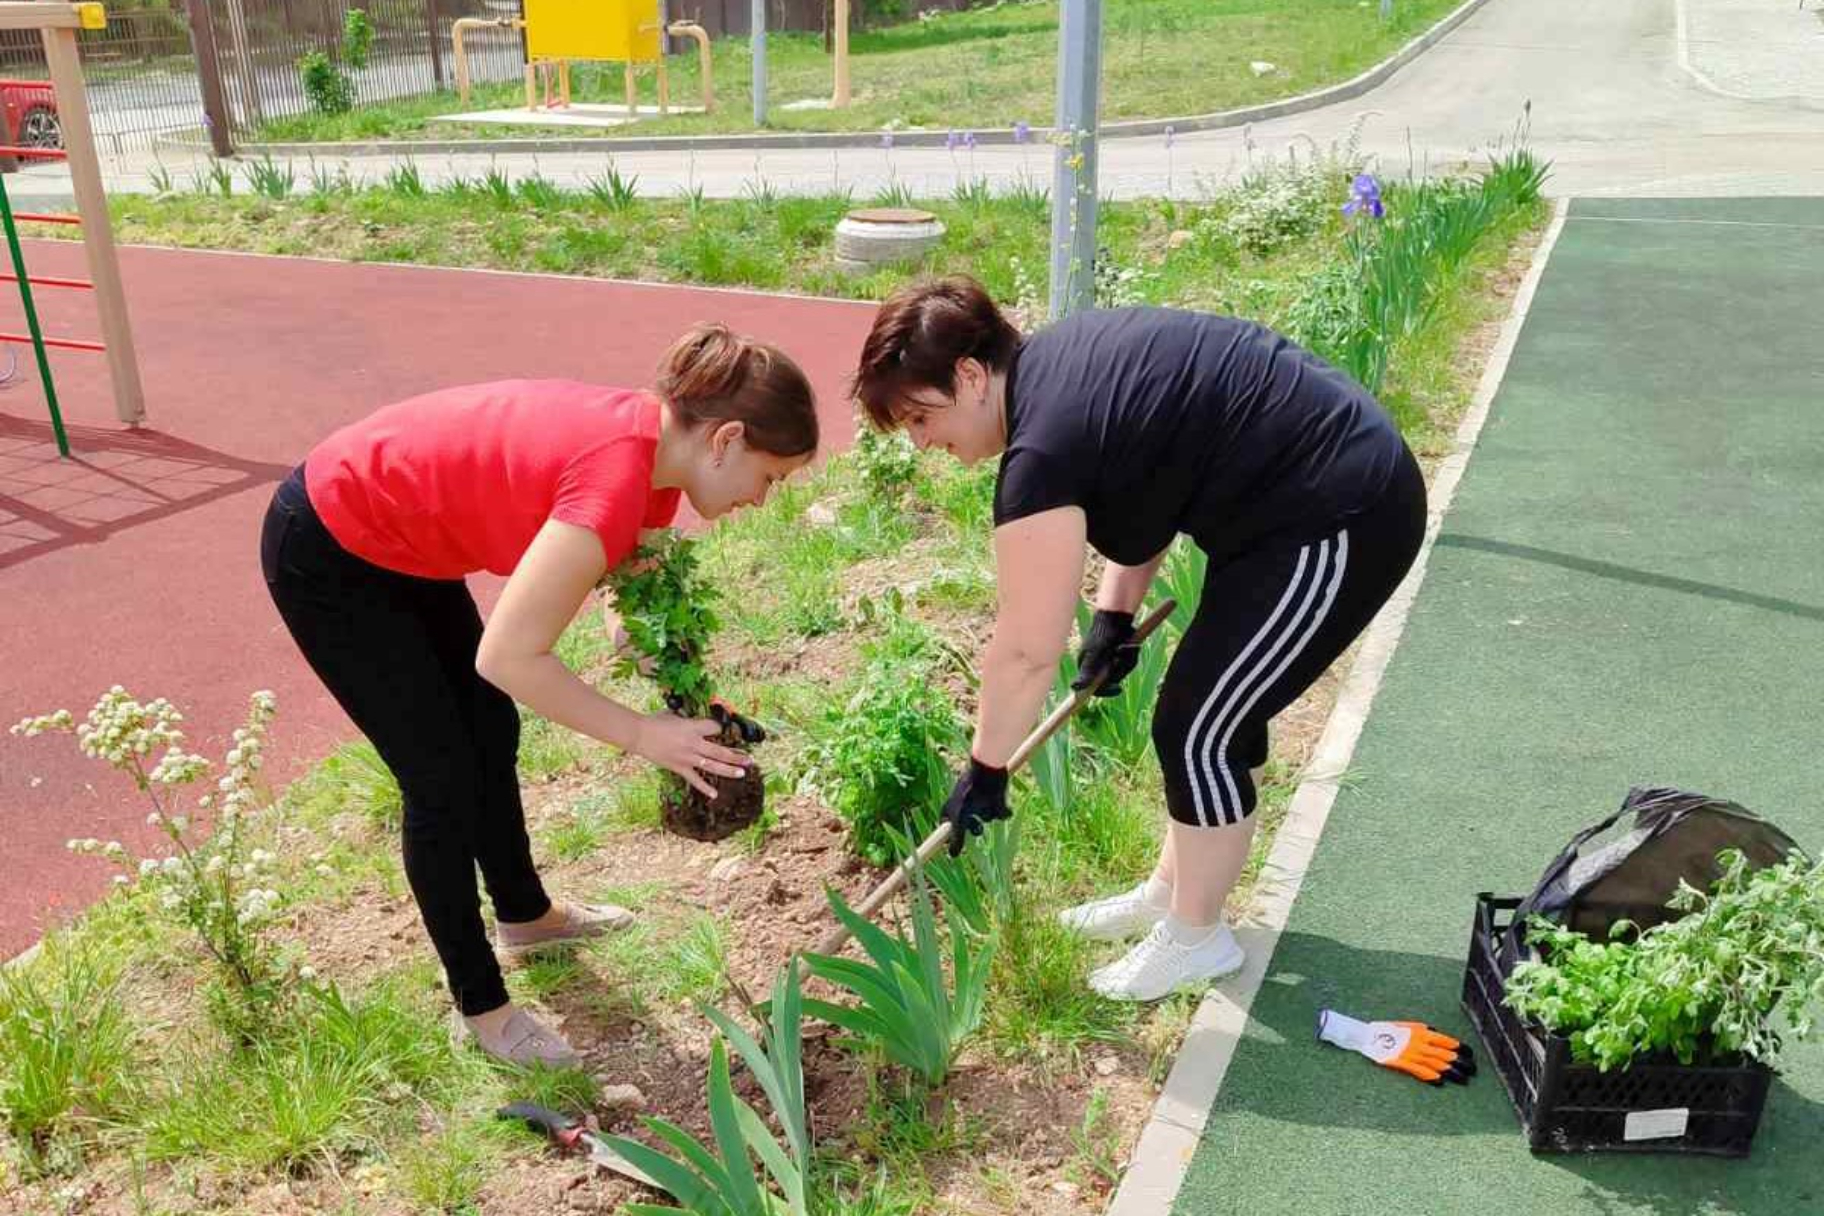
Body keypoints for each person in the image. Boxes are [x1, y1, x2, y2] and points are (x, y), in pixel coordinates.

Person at [851, 277, 1427, 1002]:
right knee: (1201, 713)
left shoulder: (1042, 449)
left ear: (968, 375)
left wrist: (986, 768)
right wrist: (1113, 617)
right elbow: (1146, 478)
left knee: (1199, 729)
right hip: (1282, 510)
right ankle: (1170, 897)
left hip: (1341, 510)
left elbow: (1027, 648)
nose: (925, 443)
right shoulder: (1060, 372)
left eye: (921, 418)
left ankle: (1198, 937)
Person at [261, 325, 818, 1063]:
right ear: (726, 440)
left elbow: (628, 592)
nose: (763, 498)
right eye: (770, 477)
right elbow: (511, 656)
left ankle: (527, 917)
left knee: (487, 729)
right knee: (441, 777)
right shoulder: (616, 479)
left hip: (399, 538)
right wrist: (643, 735)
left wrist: (685, 699)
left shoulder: (655, 461)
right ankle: (481, 1008)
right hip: (331, 543)